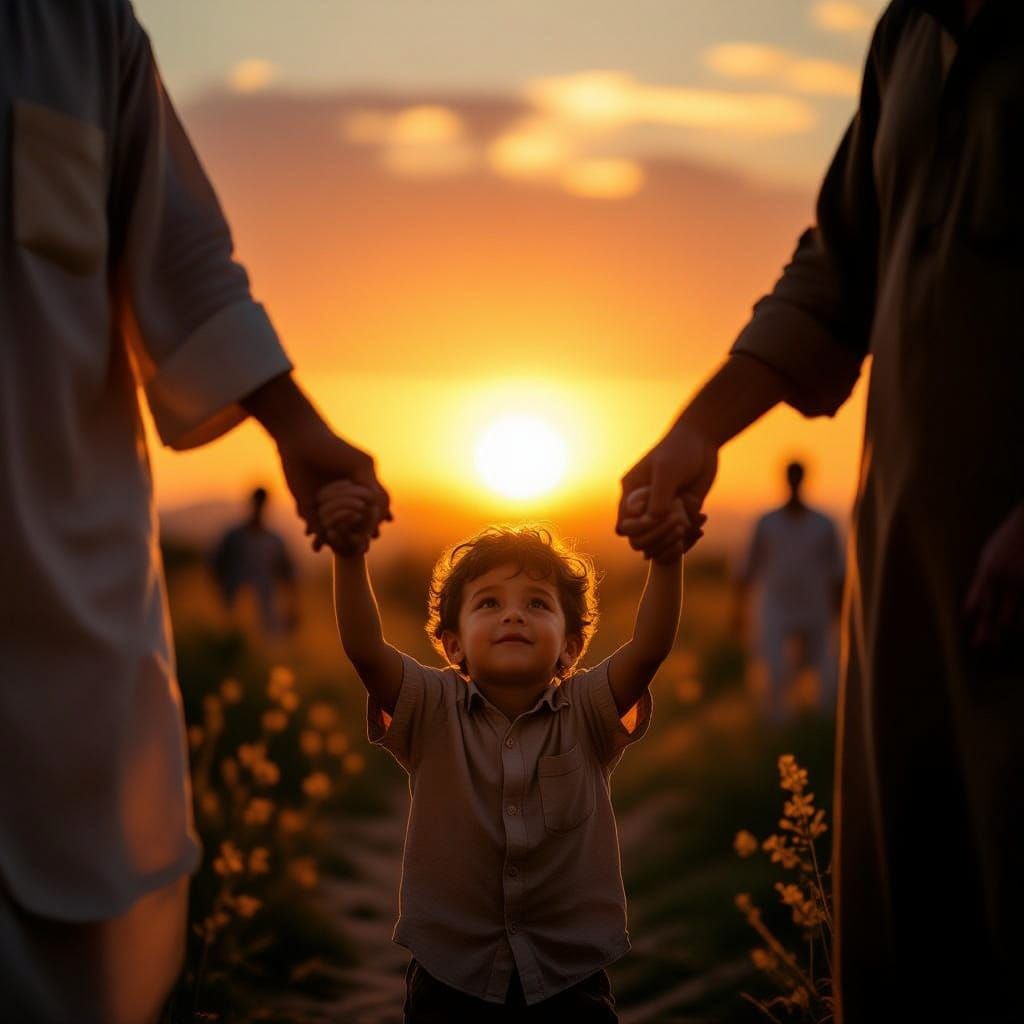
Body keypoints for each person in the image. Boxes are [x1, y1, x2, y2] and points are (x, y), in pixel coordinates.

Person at [616, 1, 1024, 1020]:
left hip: (1013, 571)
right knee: (911, 910)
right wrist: (698, 427)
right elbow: (837, 267)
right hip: (902, 566)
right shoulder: (907, 35)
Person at [0, 3, 389, 1021]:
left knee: (80, 931)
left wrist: (297, 427)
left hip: (57, 558)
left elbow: (180, 255)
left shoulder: (82, 29)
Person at [317, 482, 694, 1022]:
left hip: (569, 975)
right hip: (452, 976)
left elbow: (650, 647)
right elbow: (365, 650)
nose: (512, 615)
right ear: (452, 644)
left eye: (537, 605)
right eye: (488, 603)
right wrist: (349, 555)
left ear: (569, 647)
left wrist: (667, 557)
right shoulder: (430, 706)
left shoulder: (587, 710)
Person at [735, 461, 844, 725]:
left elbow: (838, 573)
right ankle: (779, 733)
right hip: (777, 607)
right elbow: (747, 569)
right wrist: (738, 613)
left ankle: (819, 730)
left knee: (825, 675)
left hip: (815, 607)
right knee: (775, 672)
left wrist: (839, 614)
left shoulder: (823, 524)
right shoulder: (767, 523)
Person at [212, 487, 298, 637]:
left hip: (265, 613)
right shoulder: (234, 537)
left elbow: (288, 574)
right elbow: (216, 566)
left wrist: (292, 606)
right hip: (235, 611)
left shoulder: (274, 540)